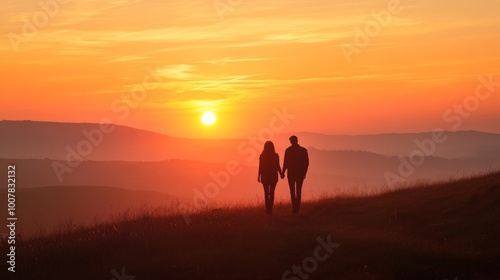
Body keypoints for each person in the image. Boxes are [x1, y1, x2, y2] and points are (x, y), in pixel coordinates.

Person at [282, 135, 309, 214]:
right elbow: (306, 163)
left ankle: (294, 208)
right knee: (298, 191)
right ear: (297, 140)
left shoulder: (288, 150)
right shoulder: (303, 150)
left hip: (291, 174)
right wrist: (304, 173)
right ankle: (297, 208)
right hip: (300, 174)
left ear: (290, 141)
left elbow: (285, 163)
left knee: (292, 191)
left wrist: (283, 173)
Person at [258, 141, 283, 215]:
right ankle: (270, 210)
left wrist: (258, 176)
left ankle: (268, 210)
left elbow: (260, 167)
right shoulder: (275, 155)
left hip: (265, 177)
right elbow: (278, 166)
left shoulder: (262, 156)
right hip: (273, 176)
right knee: (271, 193)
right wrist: (281, 174)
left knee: (266, 193)